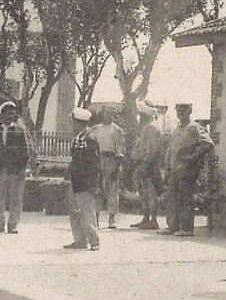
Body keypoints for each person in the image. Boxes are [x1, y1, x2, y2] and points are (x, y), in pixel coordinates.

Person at [159, 103, 213, 237]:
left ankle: (187, 228)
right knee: (172, 198)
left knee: (185, 198)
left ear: (190, 111)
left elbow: (208, 143)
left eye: (184, 110)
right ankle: (173, 226)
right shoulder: (176, 129)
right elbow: (171, 150)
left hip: (188, 169)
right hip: (175, 169)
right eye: (178, 110)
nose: (181, 113)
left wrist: (192, 157)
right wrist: (167, 166)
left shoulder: (194, 127)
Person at [0, 101, 28, 234]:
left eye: (13, 113)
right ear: (2, 115)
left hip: (15, 171)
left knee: (15, 199)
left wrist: (21, 168)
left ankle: (12, 225)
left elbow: (24, 151)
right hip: (0, 171)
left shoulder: (19, 131)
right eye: (8, 113)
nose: (11, 116)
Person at [64, 107, 101, 251]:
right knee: (74, 211)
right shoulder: (78, 138)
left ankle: (94, 240)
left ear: (78, 122)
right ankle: (79, 240)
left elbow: (94, 163)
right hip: (76, 180)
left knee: (86, 211)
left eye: (73, 121)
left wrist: (93, 183)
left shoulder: (90, 138)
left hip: (85, 182)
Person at [130, 101, 163, 229]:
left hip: (148, 165)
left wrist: (145, 165)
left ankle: (153, 220)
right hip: (142, 163)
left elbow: (152, 150)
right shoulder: (147, 127)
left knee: (150, 193)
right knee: (144, 193)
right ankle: (145, 218)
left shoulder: (152, 128)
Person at [91, 110, 125, 229]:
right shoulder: (95, 129)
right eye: (106, 113)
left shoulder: (117, 130)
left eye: (110, 113)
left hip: (111, 160)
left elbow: (120, 150)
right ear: (102, 114)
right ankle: (96, 218)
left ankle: (112, 219)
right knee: (97, 189)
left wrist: (116, 168)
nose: (108, 116)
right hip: (98, 159)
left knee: (112, 190)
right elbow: (92, 146)